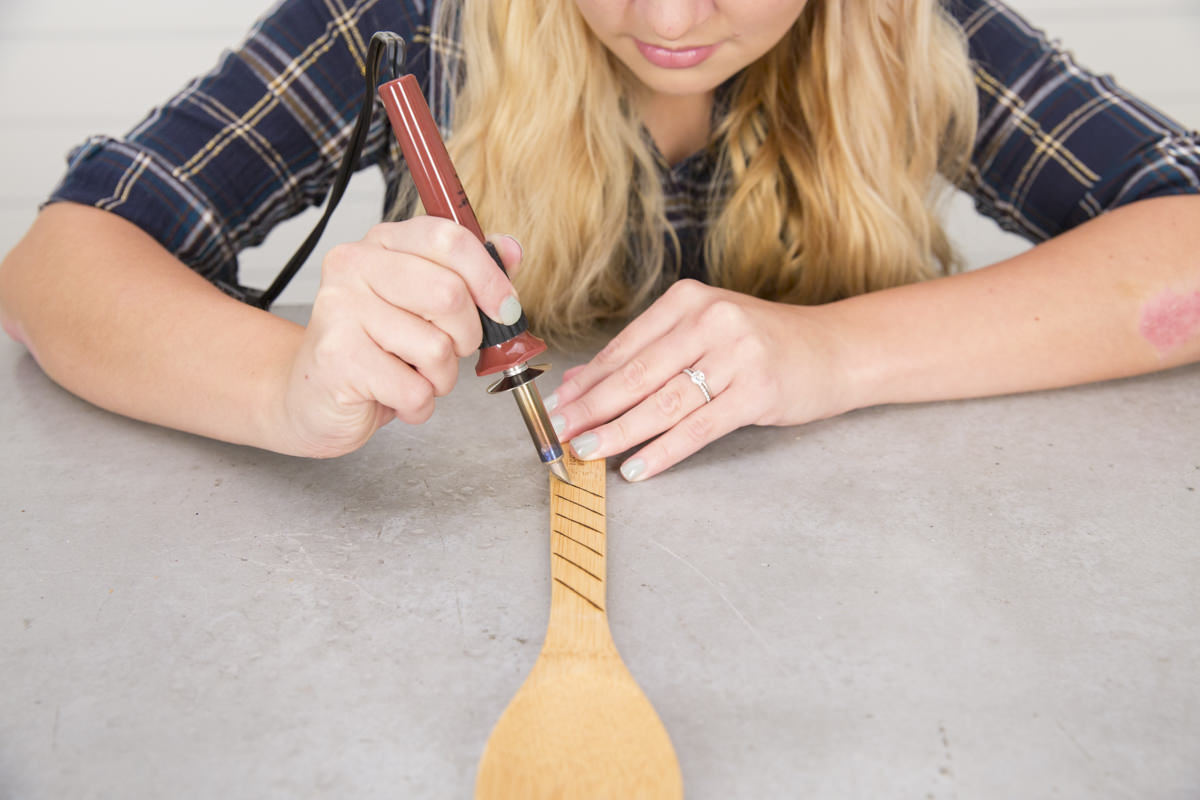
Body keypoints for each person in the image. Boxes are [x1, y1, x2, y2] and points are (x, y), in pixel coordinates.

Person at [1, 0, 1198, 483]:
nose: (669, 19)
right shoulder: (408, 23)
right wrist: (284, 386)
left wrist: (836, 351)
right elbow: (56, 266)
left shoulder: (908, 24)